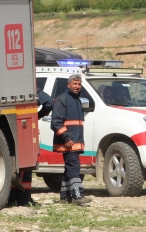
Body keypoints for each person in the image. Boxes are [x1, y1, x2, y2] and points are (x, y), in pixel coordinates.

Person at [51, 73, 91, 205]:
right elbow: (56, 122)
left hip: (75, 142)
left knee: (70, 168)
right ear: (68, 85)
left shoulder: (77, 100)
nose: (77, 86)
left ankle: (65, 197)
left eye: (79, 84)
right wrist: (66, 138)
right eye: (75, 84)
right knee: (74, 168)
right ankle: (78, 197)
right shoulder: (62, 99)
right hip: (68, 143)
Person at [10, 86, 54, 206]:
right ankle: (24, 199)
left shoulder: (7, 88)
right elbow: (49, 102)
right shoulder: (30, 88)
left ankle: (12, 198)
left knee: (13, 164)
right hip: (26, 129)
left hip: (8, 129)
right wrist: (38, 115)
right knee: (26, 165)